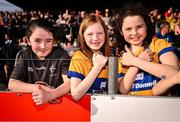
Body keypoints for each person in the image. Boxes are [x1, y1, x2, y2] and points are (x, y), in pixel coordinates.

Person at [117, 3, 179, 96]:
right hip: (131, 106)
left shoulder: (159, 44)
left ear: (146, 26)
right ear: (121, 32)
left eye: (139, 27)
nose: (134, 33)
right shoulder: (121, 55)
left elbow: (173, 73)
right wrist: (137, 63)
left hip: (161, 105)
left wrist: (136, 61)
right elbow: (122, 89)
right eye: (128, 29)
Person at [8, 18, 70, 105]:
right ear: (28, 40)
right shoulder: (25, 55)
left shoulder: (61, 55)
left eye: (48, 41)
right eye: (37, 41)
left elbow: (69, 83)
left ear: (54, 40)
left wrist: (50, 95)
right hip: (30, 106)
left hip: (57, 106)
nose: (43, 46)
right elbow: (12, 84)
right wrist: (39, 88)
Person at [68, 15, 120, 101]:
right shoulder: (79, 56)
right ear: (83, 37)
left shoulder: (113, 56)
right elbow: (76, 95)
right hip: (88, 111)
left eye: (99, 33)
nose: (95, 38)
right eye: (90, 34)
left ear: (105, 35)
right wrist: (97, 67)